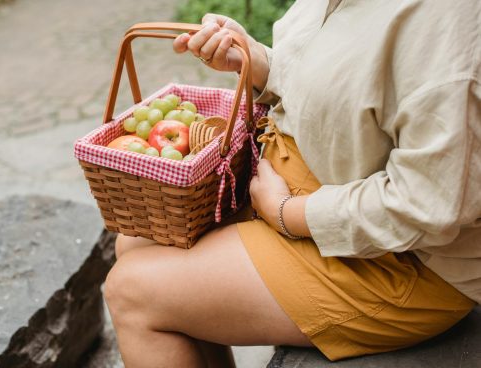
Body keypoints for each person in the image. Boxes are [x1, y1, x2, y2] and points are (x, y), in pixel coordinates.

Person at [104, 0, 481, 367]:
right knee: (137, 240)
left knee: (132, 292)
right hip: (303, 187)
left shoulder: (446, 27)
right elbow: (342, 85)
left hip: (397, 261)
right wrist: (256, 62)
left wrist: (287, 212)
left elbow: (429, 203)